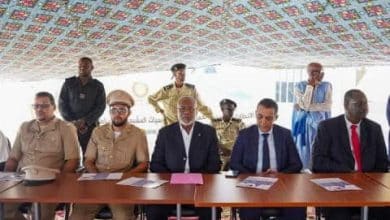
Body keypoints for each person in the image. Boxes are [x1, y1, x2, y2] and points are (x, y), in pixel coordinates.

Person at [71, 90, 149, 220]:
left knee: (124, 217)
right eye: (113, 110)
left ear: (129, 113)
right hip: (96, 185)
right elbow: (88, 160)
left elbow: (144, 163)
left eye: (122, 110)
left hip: (122, 187)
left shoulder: (138, 134)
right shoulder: (98, 132)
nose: (117, 114)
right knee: (77, 216)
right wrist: (97, 176)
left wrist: (126, 177)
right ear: (109, 112)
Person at [312, 89, 389, 220]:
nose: (364, 108)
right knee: (340, 215)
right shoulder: (327, 127)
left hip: (369, 188)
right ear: (346, 105)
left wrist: (369, 180)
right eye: (359, 104)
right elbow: (317, 162)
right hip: (338, 188)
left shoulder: (374, 128)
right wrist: (347, 172)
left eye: (365, 103)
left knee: (384, 211)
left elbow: (382, 163)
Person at [4, 91, 80, 220]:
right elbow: (13, 158)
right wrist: (6, 179)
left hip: (50, 182)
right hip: (23, 180)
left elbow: (73, 160)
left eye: (44, 106)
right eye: (36, 106)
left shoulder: (65, 128)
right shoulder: (24, 127)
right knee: (4, 210)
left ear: (54, 107)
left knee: (41, 214)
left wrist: (59, 182)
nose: (39, 109)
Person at [147, 96, 220, 220]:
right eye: (182, 109)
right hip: (170, 188)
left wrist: (195, 179)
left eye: (191, 109)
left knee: (212, 211)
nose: (186, 112)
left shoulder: (208, 132)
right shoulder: (165, 133)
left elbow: (215, 164)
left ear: (196, 111)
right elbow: (155, 164)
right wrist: (173, 179)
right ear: (176, 111)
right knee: (153, 210)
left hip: (200, 188)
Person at [230, 98, 305, 220]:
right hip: (252, 186)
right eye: (260, 117)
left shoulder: (285, 135)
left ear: (276, 117)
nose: (263, 122)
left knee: (297, 209)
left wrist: (280, 174)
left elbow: (297, 164)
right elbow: (234, 163)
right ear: (255, 114)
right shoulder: (245, 134)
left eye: (268, 118)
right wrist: (254, 175)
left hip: (280, 186)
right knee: (248, 211)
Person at [58, 57, 106, 154]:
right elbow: (62, 104)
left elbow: (101, 106)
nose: (82, 68)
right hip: (70, 126)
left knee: (90, 155)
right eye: (80, 66)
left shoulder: (98, 86)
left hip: (90, 127)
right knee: (68, 156)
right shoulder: (69, 83)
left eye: (85, 66)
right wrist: (73, 122)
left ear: (92, 67)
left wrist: (85, 121)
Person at [292, 62, 332, 169]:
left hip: (321, 124)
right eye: (313, 72)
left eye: (319, 72)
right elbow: (304, 104)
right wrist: (310, 87)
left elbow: (327, 106)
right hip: (304, 125)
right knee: (304, 153)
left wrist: (307, 107)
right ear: (308, 72)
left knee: (321, 151)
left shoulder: (327, 85)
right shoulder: (299, 86)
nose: (316, 74)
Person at [148, 63, 213, 126]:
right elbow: (151, 99)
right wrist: (160, 110)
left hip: (187, 124)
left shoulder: (191, 89)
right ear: (174, 75)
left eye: (184, 73)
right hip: (170, 124)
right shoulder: (166, 90)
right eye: (180, 73)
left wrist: (212, 117)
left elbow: (200, 105)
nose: (183, 75)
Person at [212, 98, 245, 171]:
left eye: (232, 110)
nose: (231, 112)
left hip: (234, 156)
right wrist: (221, 148)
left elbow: (244, 139)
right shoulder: (214, 123)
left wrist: (234, 152)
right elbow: (210, 139)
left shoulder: (239, 123)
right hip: (219, 156)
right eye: (228, 110)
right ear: (222, 109)